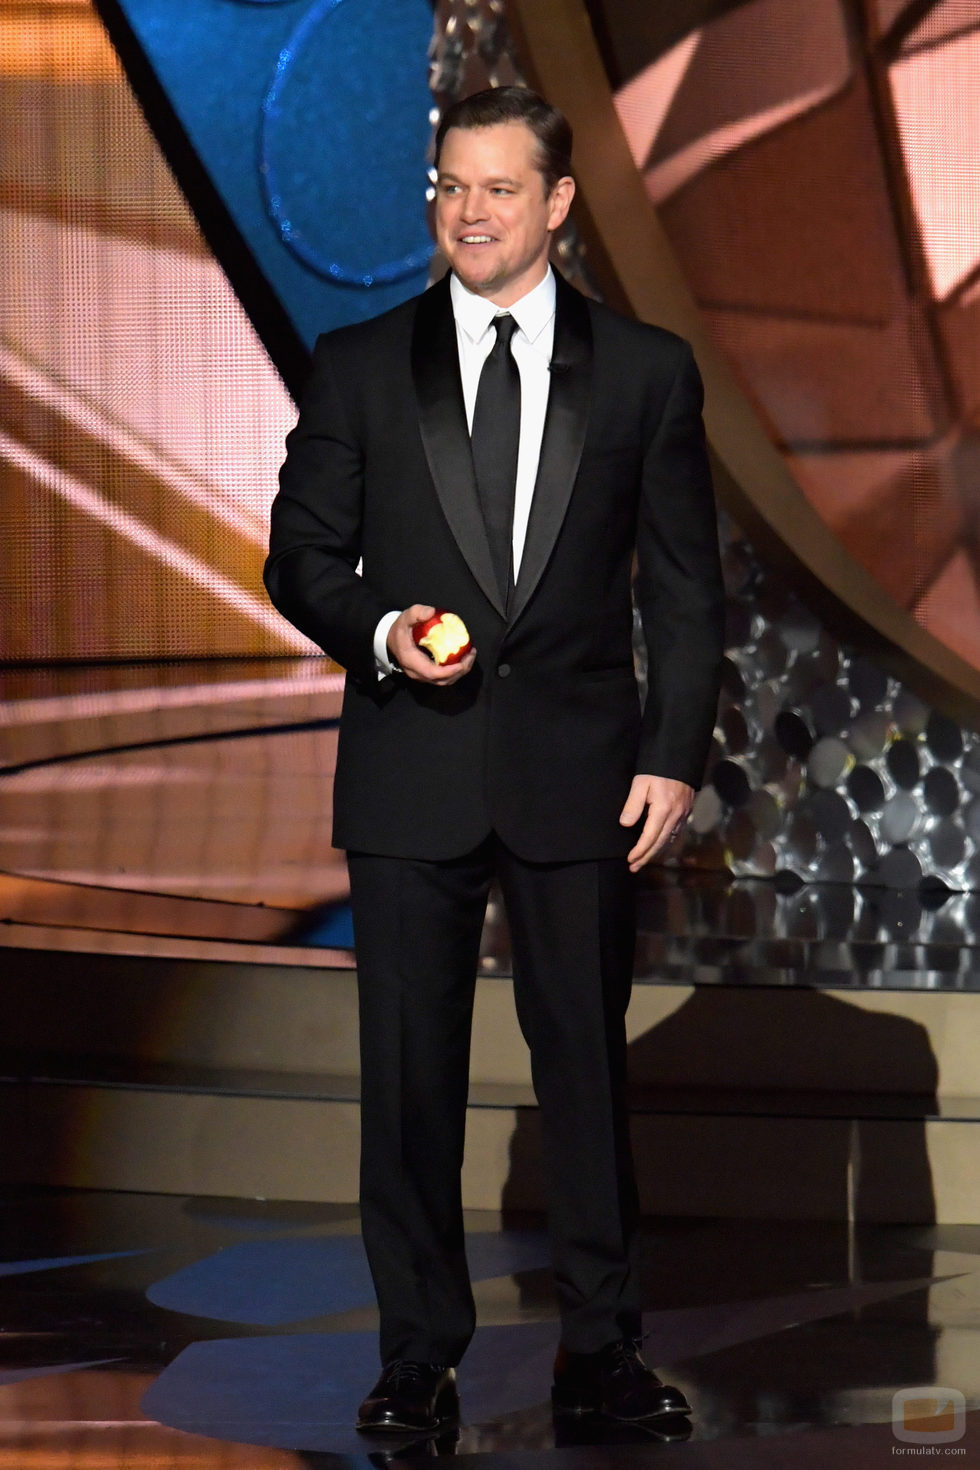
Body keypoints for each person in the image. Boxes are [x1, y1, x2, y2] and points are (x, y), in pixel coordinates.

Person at [265, 85, 725, 1436]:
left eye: (499, 188)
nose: (469, 210)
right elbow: (299, 557)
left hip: (584, 774)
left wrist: (674, 753)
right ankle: (418, 1355)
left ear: (558, 203)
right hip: (411, 767)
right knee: (407, 1080)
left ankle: (602, 1348)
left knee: (583, 1065)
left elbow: (687, 591)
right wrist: (385, 631)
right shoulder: (358, 363)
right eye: (452, 186)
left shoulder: (645, 373)